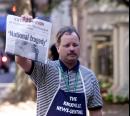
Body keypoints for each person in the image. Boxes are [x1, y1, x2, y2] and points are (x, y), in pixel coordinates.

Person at [16, 16, 103, 116]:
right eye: (67, 45)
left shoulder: (90, 77)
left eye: (75, 45)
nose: (71, 49)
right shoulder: (45, 68)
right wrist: (24, 29)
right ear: (58, 48)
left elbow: (96, 111)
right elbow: (20, 60)